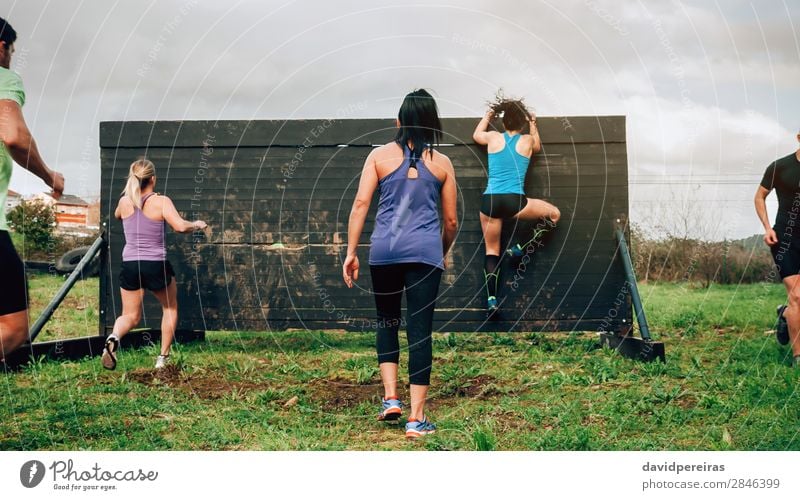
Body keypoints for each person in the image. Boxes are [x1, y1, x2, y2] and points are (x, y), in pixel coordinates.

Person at [343, 89, 458, 438]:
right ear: (432, 123)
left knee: (387, 321)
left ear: (399, 121)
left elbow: (361, 204)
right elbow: (451, 222)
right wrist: (437, 250)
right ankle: (416, 419)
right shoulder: (443, 164)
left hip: (384, 254)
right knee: (420, 331)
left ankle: (391, 398)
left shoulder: (378, 157)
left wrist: (351, 252)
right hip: (425, 255)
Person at [0, 17, 65, 363]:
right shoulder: (4, 78)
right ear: (1, 48)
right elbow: (13, 135)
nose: (11, 57)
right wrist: (48, 175)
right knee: (12, 327)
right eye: (11, 51)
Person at [102, 159, 207, 370]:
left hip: (130, 264)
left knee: (129, 315)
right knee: (169, 308)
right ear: (152, 179)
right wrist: (196, 224)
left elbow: (117, 216)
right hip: (155, 264)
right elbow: (179, 226)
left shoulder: (124, 202)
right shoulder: (161, 201)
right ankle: (162, 359)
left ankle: (113, 337)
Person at [472, 93, 560, 312]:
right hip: (514, 202)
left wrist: (488, 114)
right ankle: (521, 247)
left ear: (503, 121)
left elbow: (476, 135)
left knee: (491, 251)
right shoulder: (528, 140)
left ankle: (491, 299)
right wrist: (533, 124)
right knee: (554, 214)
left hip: (489, 201)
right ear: (521, 122)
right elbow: (537, 145)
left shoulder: (493, 137)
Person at [755, 130, 800, 368]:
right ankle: (798, 357)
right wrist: (766, 227)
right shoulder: (780, 167)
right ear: (799, 137)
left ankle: (784, 314)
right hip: (785, 239)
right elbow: (759, 196)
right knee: (798, 296)